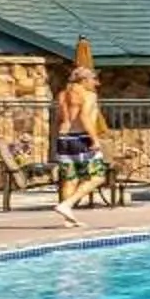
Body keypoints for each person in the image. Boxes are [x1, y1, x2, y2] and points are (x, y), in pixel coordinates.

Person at [51, 64, 111, 226]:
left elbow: (58, 121)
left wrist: (56, 141)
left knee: (70, 179)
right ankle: (67, 205)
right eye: (94, 79)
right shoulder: (89, 95)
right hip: (82, 138)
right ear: (84, 80)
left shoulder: (62, 95)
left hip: (64, 139)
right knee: (98, 177)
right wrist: (95, 140)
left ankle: (67, 219)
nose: (97, 83)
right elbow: (84, 118)